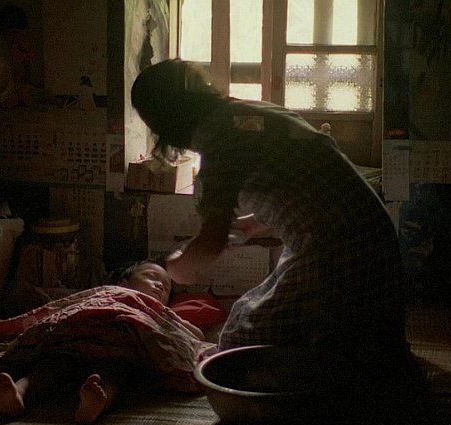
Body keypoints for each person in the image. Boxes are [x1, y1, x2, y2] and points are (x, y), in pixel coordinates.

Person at [131, 58, 416, 380]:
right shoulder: (248, 113)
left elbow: (209, 245)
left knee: (240, 343)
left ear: (167, 122)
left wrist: (175, 268)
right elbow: (302, 186)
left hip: (340, 252)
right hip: (374, 241)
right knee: (246, 311)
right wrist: (254, 224)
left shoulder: (220, 142)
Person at [0, 259, 186, 424]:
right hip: (73, 340)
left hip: (118, 349)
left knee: (113, 373)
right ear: (123, 284)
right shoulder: (108, 292)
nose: (160, 285)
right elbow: (69, 305)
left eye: (166, 287)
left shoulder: (157, 311)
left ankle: (95, 403)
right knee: (51, 366)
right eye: (151, 276)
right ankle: (18, 392)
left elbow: (183, 332)